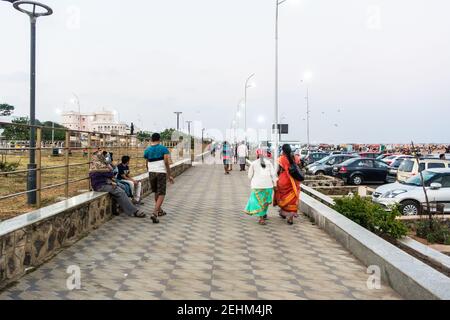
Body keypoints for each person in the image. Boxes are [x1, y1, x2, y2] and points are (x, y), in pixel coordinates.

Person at [89, 151, 146, 218]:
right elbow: (111, 173)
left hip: (105, 183)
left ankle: (117, 208)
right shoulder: (98, 165)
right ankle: (134, 211)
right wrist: (108, 167)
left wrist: (110, 178)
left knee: (122, 187)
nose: (105, 158)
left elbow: (111, 173)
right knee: (119, 191)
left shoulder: (99, 164)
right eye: (103, 156)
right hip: (100, 186)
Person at [144, 133, 174, 223]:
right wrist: (169, 175)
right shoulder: (163, 148)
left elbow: (146, 163)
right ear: (159, 139)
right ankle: (154, 213)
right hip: (160, 172)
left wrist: (150, 171)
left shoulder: (147, 150)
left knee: (156, 192)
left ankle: (159, 210)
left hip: (151, 172)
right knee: (161, 193)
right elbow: (166, 162)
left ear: (151, 139)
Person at [244, 149, 277, 225]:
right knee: (265, 202)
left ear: (257, 155)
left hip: (257, 186)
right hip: (268, 186)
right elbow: (273, 175)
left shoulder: (254, 164)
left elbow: (249, 176)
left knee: (258, 202)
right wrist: (275, 185)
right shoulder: (269, 163)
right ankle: (263, 214)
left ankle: (261, 218)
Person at [274, 144, 301, 225]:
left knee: (283, 197)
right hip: (294, 181)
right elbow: (299, 168)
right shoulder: (296, 158)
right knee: (292, 199)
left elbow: (278, 171)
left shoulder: (281, 158)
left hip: (284, 180)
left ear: (283, 150)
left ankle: (283, 212)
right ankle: (291, 217)